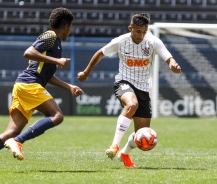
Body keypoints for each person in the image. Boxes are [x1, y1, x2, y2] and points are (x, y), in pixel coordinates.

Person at [0, 7, 84, 173]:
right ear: (66, 26)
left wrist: (69, 86)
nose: (70, 31)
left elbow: (46, 76)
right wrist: (57, 60)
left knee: (10, 132)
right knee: (57, 116)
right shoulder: (51, 36)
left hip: (24, 85)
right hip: (29, 84)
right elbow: (28, 52)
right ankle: (18, 141)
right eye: (70, 27)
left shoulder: (56, 44)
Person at [77, 13, 181, 168]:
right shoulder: (121, 41)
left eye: (144, 32)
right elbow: (100, 53)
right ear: (130, 28)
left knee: (142, 138)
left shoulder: (153, 42)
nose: (141, 35)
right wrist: (86, 72)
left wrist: (173, 65)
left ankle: (124, 154)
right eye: (138, 31)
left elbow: (169, 58)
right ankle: (114, 146)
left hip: (143, 88)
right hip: (123, 82)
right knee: (131, 105)